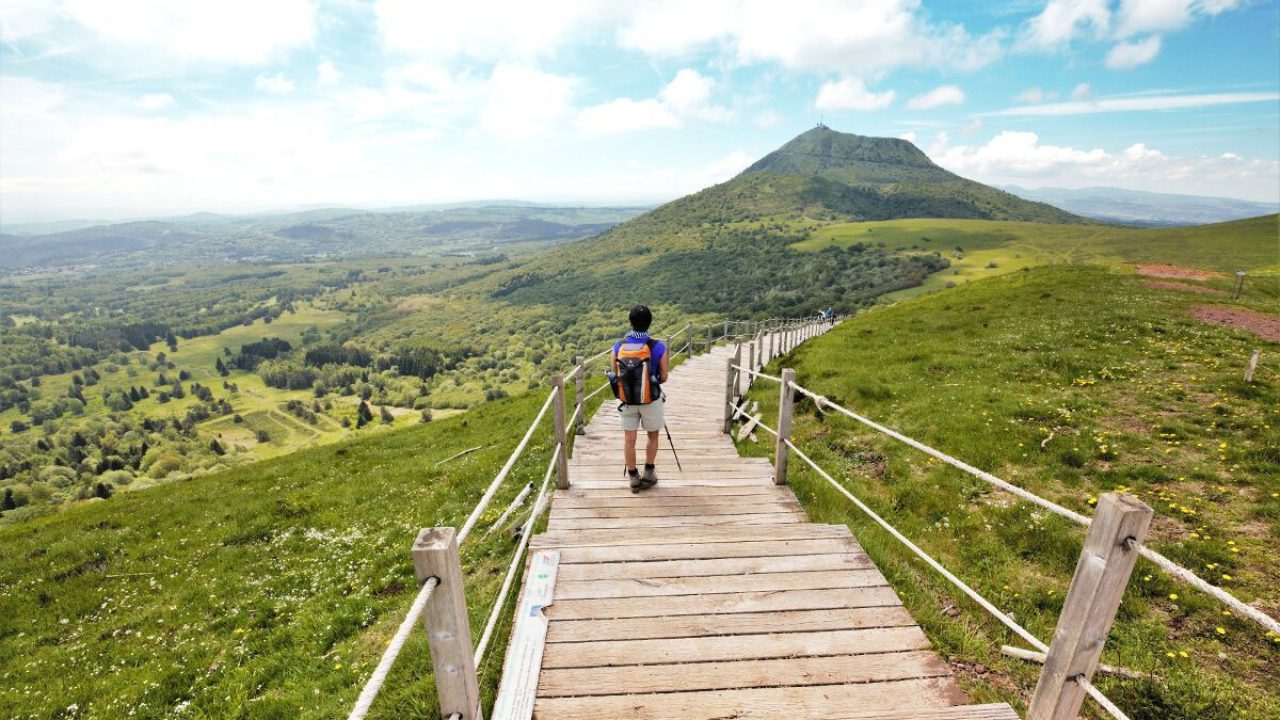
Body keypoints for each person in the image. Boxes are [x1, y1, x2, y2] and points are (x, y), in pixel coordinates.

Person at [609, 305, 669, 492]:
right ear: (650, 322)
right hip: (650, 399)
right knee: (653, 435)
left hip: (626, 399)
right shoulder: (658, 346)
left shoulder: (619, 345)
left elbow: (614, 373)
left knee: (629, 438)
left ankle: (633, 477)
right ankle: (649, 474)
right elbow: (664, 377)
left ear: (630, 322)